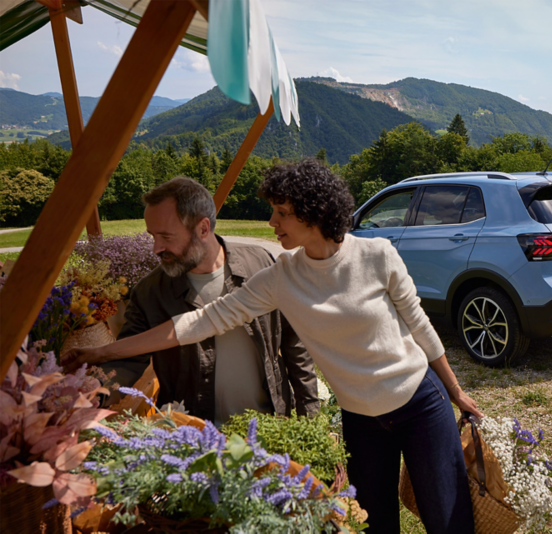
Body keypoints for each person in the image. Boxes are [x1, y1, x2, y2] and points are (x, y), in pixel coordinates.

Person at [64, 160, 481, 533]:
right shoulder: (281, 278)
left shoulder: (377, 255)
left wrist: (455, 391)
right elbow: (197, 322)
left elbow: (420, 326)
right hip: (361, 421)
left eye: (281, 213)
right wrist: (102, 353)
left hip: (418, 403)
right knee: (372, 523)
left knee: (447, 519)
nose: (271, 222)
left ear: (312, 212)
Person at [95, 176, 319, 424]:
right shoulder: (150, 292)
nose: (156, 248)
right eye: (152, 236)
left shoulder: (261, 265)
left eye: (166, 237)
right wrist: (95, 394)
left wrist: (310, 416)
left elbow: (294, 343)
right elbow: (126, 360)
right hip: (194, 438)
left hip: (270, 429)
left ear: (203, 228)